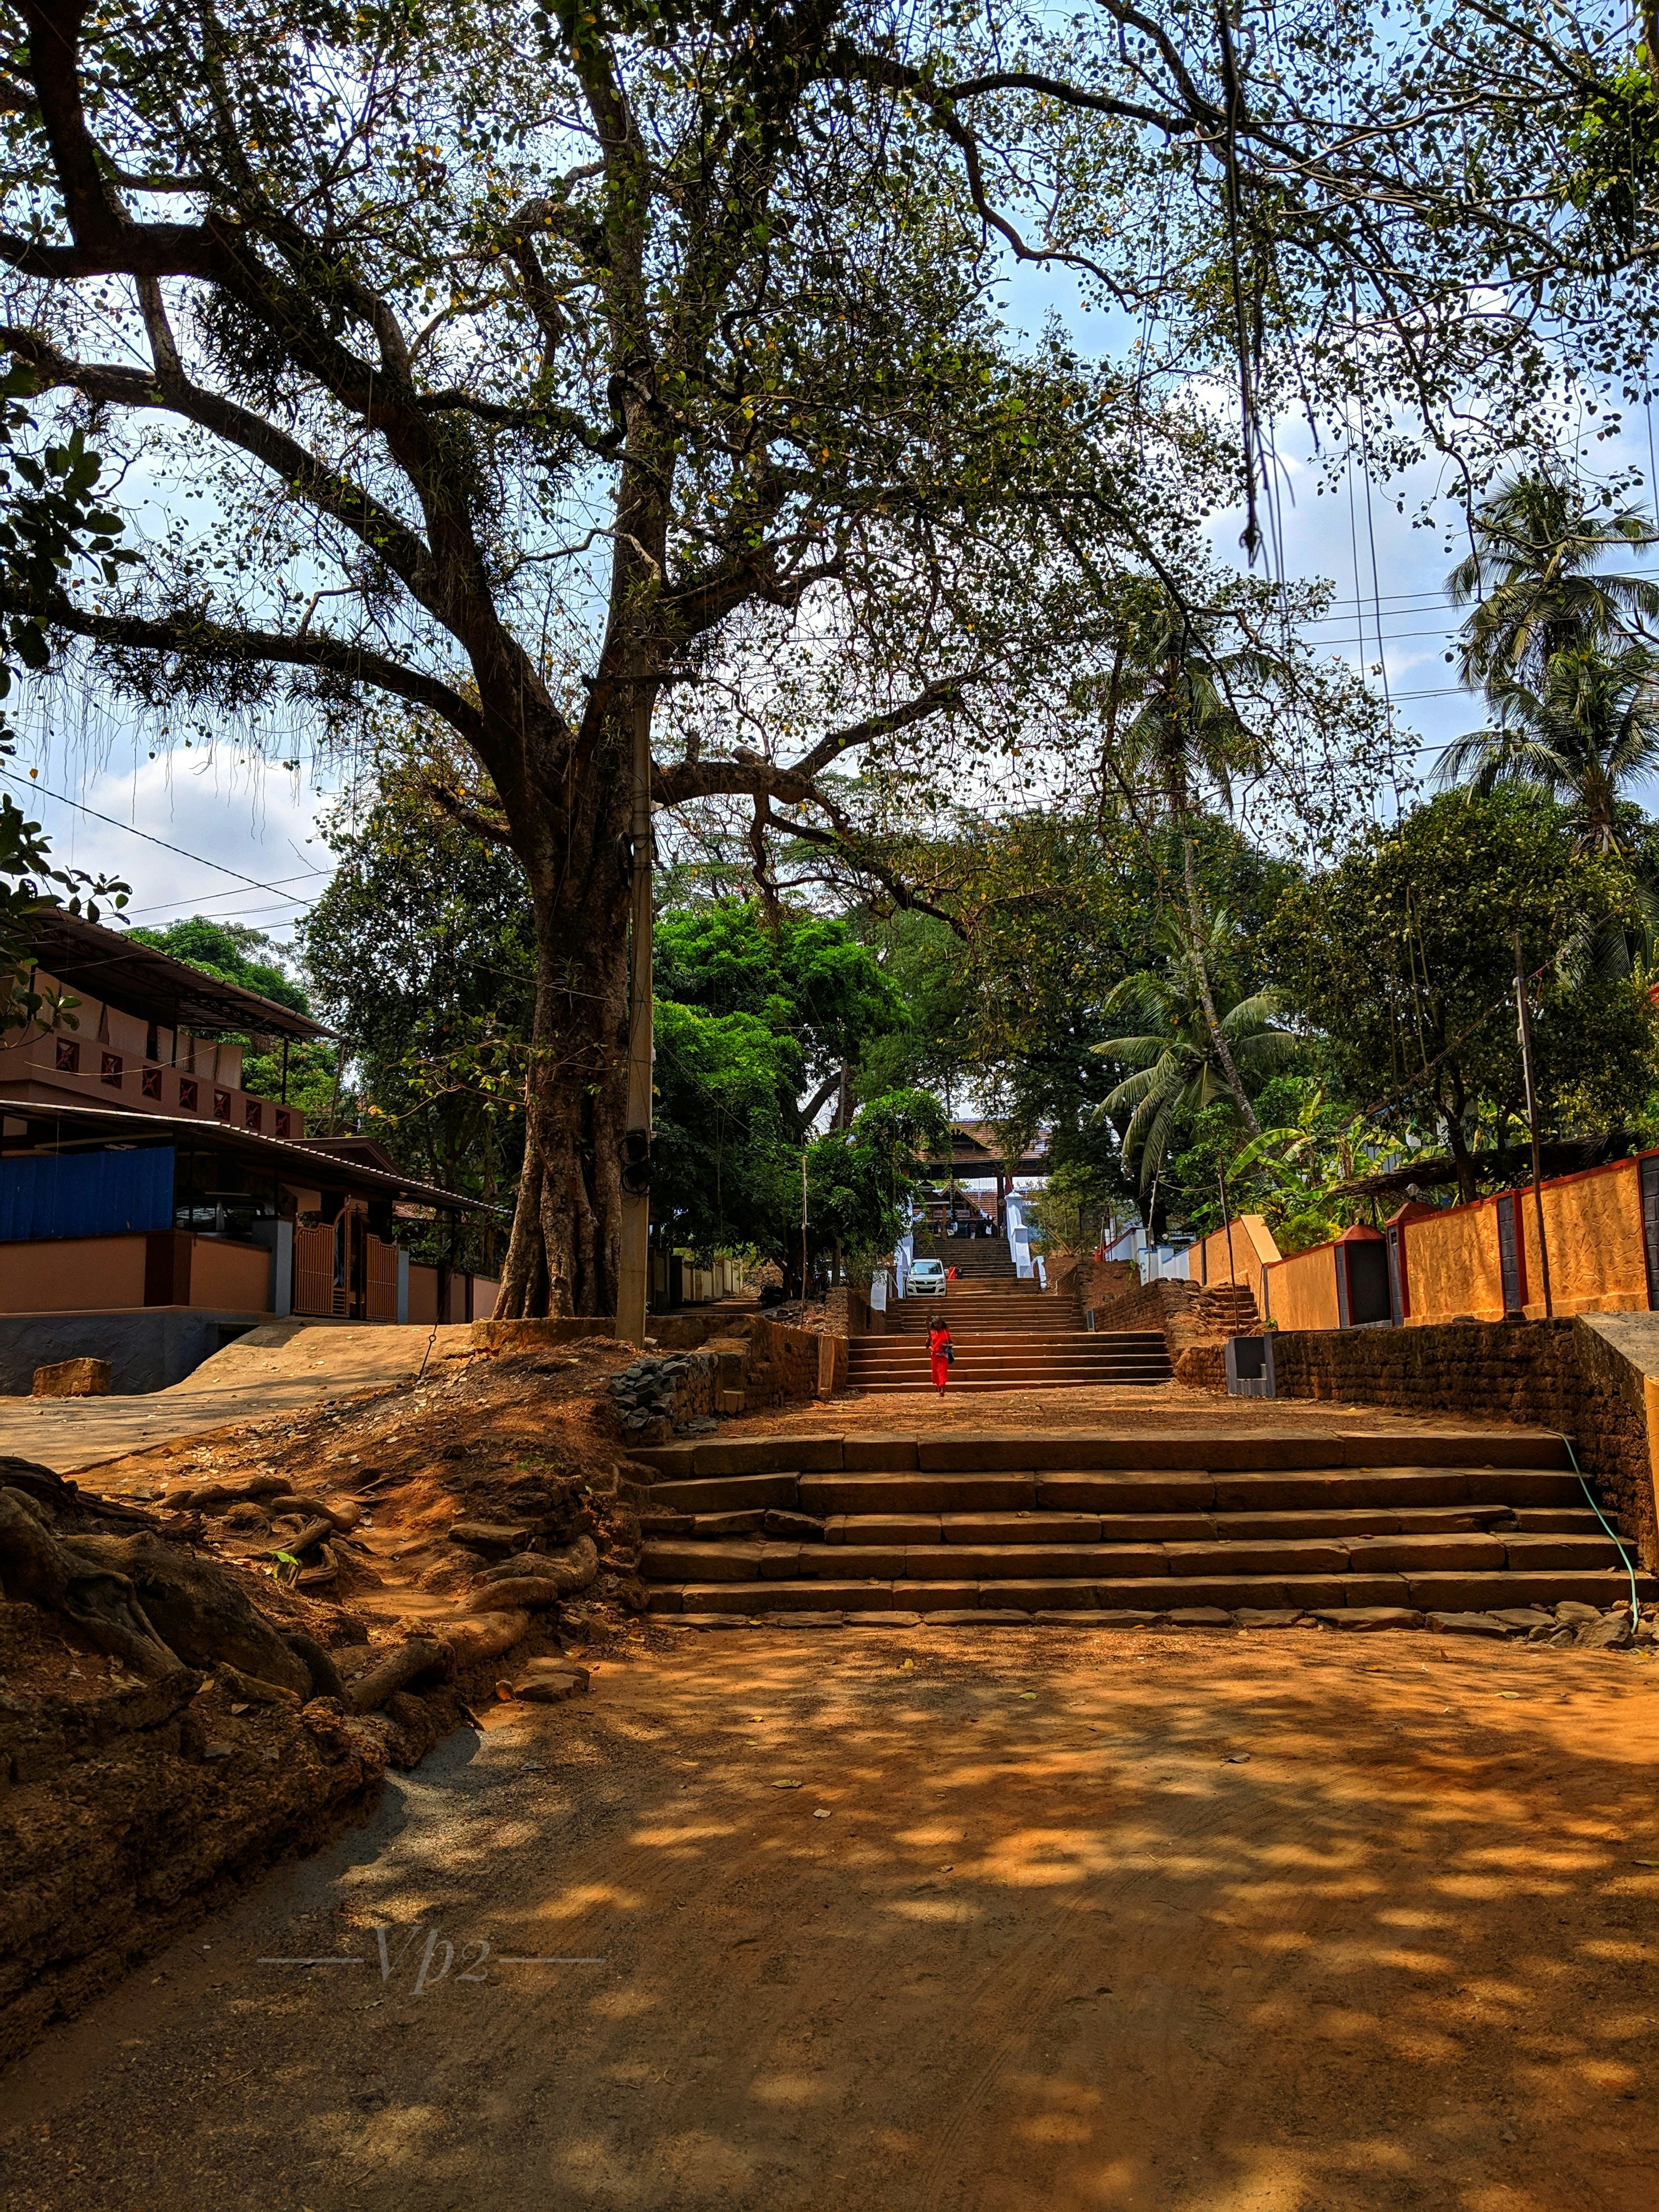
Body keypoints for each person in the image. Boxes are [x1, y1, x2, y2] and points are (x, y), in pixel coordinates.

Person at [927, 1315, 953, 1395]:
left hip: (943, 1355)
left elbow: (951, 1343)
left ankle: (942, 1389)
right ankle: (939, 1387)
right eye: (935, 1324)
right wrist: (928, 1340)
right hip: (935, 1356)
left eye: (938, 1324)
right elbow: (927, 1346)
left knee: (942, 1372)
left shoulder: (946, 1333)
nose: (937, 1325)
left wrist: (946, 1345)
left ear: (942, 1323)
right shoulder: (931, 1333)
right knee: (936, 1373)